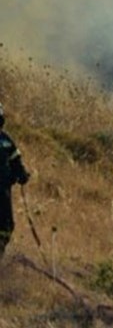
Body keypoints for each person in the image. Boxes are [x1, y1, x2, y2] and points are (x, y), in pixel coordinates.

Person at [0, 102, 30, 258]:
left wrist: (22, 174)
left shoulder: (6, 141)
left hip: (3, 191)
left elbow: (16, 161)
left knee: (7, 226)